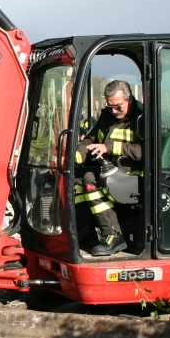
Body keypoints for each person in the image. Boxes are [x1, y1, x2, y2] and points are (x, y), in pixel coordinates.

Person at [74, 80, 143, 256]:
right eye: (110, 106)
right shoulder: (107, 116)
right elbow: (90, 140)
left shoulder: (142, 117)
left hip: (136, 174)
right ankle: (86, 232)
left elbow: (144, 151)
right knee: (75, 178)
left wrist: (109, 147)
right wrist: (77, 155)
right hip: (112, 170)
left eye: (118, 106)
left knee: (90, 179)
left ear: (129, 100)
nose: (114, 111)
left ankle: (113, 235)